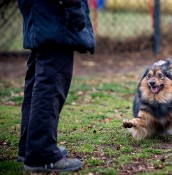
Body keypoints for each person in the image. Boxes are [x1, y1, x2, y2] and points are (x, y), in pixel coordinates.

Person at [17, 0, 95, 172]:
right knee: (51, 82)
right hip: (54, 11)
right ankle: (41, 154)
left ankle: (29, 148)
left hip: (37, 9)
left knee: (38, 77)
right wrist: (74, 6)